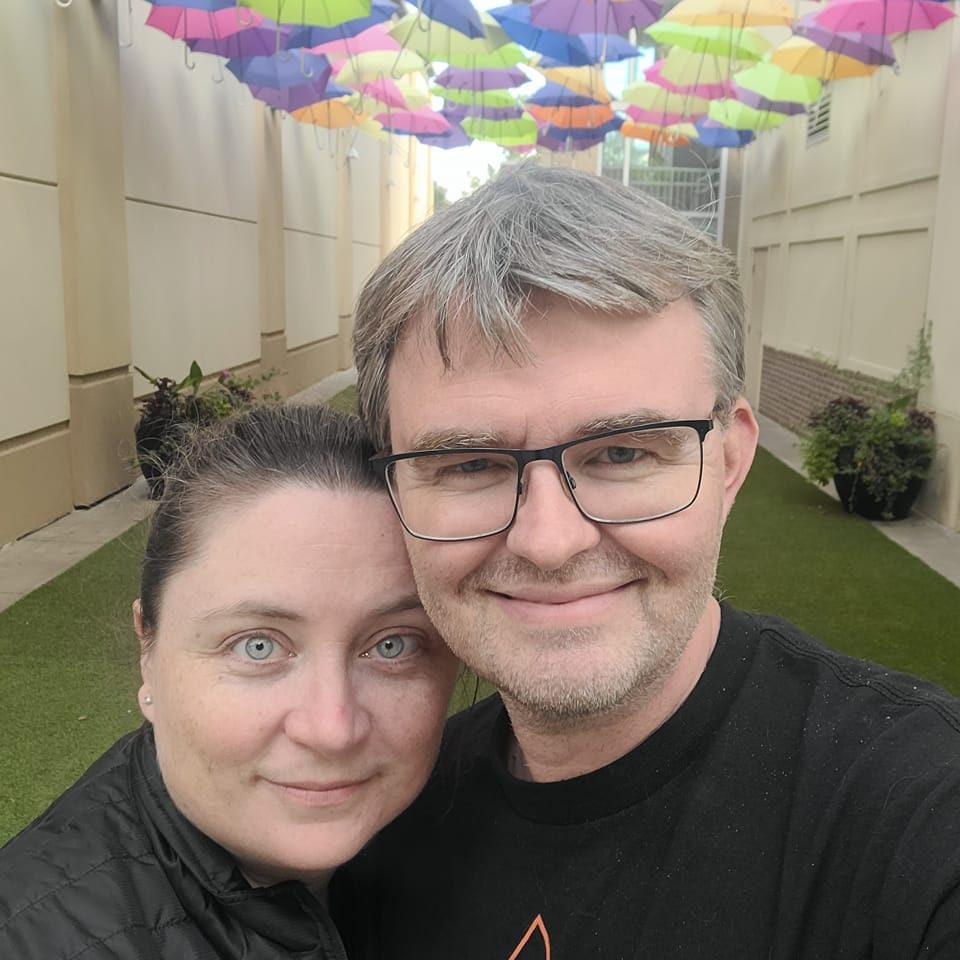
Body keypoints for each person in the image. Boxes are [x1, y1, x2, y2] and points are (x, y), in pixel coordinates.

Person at [333, 162, 960, 959]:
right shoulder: (385, 816)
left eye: (623, 453)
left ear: (729, 463)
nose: (550, 541)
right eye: (469, 465)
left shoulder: (919, 813)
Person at [0, 405, 459, 959]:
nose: (333, 730)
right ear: (149, 650)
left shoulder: (463, 820)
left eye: (392, 645)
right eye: (257, 646)